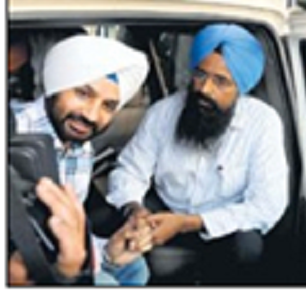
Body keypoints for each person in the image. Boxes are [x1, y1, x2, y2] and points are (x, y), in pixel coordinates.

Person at [106, 23, 289, 284]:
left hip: (223, 223)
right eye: (200, 75)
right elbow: (130, 170)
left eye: (221, 82)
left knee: (248, 245)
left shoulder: (263, 122)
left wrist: (188, 223)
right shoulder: (163, 112)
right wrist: (135, 210)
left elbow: (267, 205)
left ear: (241, 87)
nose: (205, 89)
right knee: (115, 223)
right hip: (165, 211)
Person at [12, 35, 152, 285]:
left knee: (135, 268)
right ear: (55, 85)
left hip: (58, 256)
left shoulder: (81, 148)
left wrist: (109, 251)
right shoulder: (13, 133)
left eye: (108, 106)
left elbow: (70, 231)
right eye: (83, 93)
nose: (91, 115)